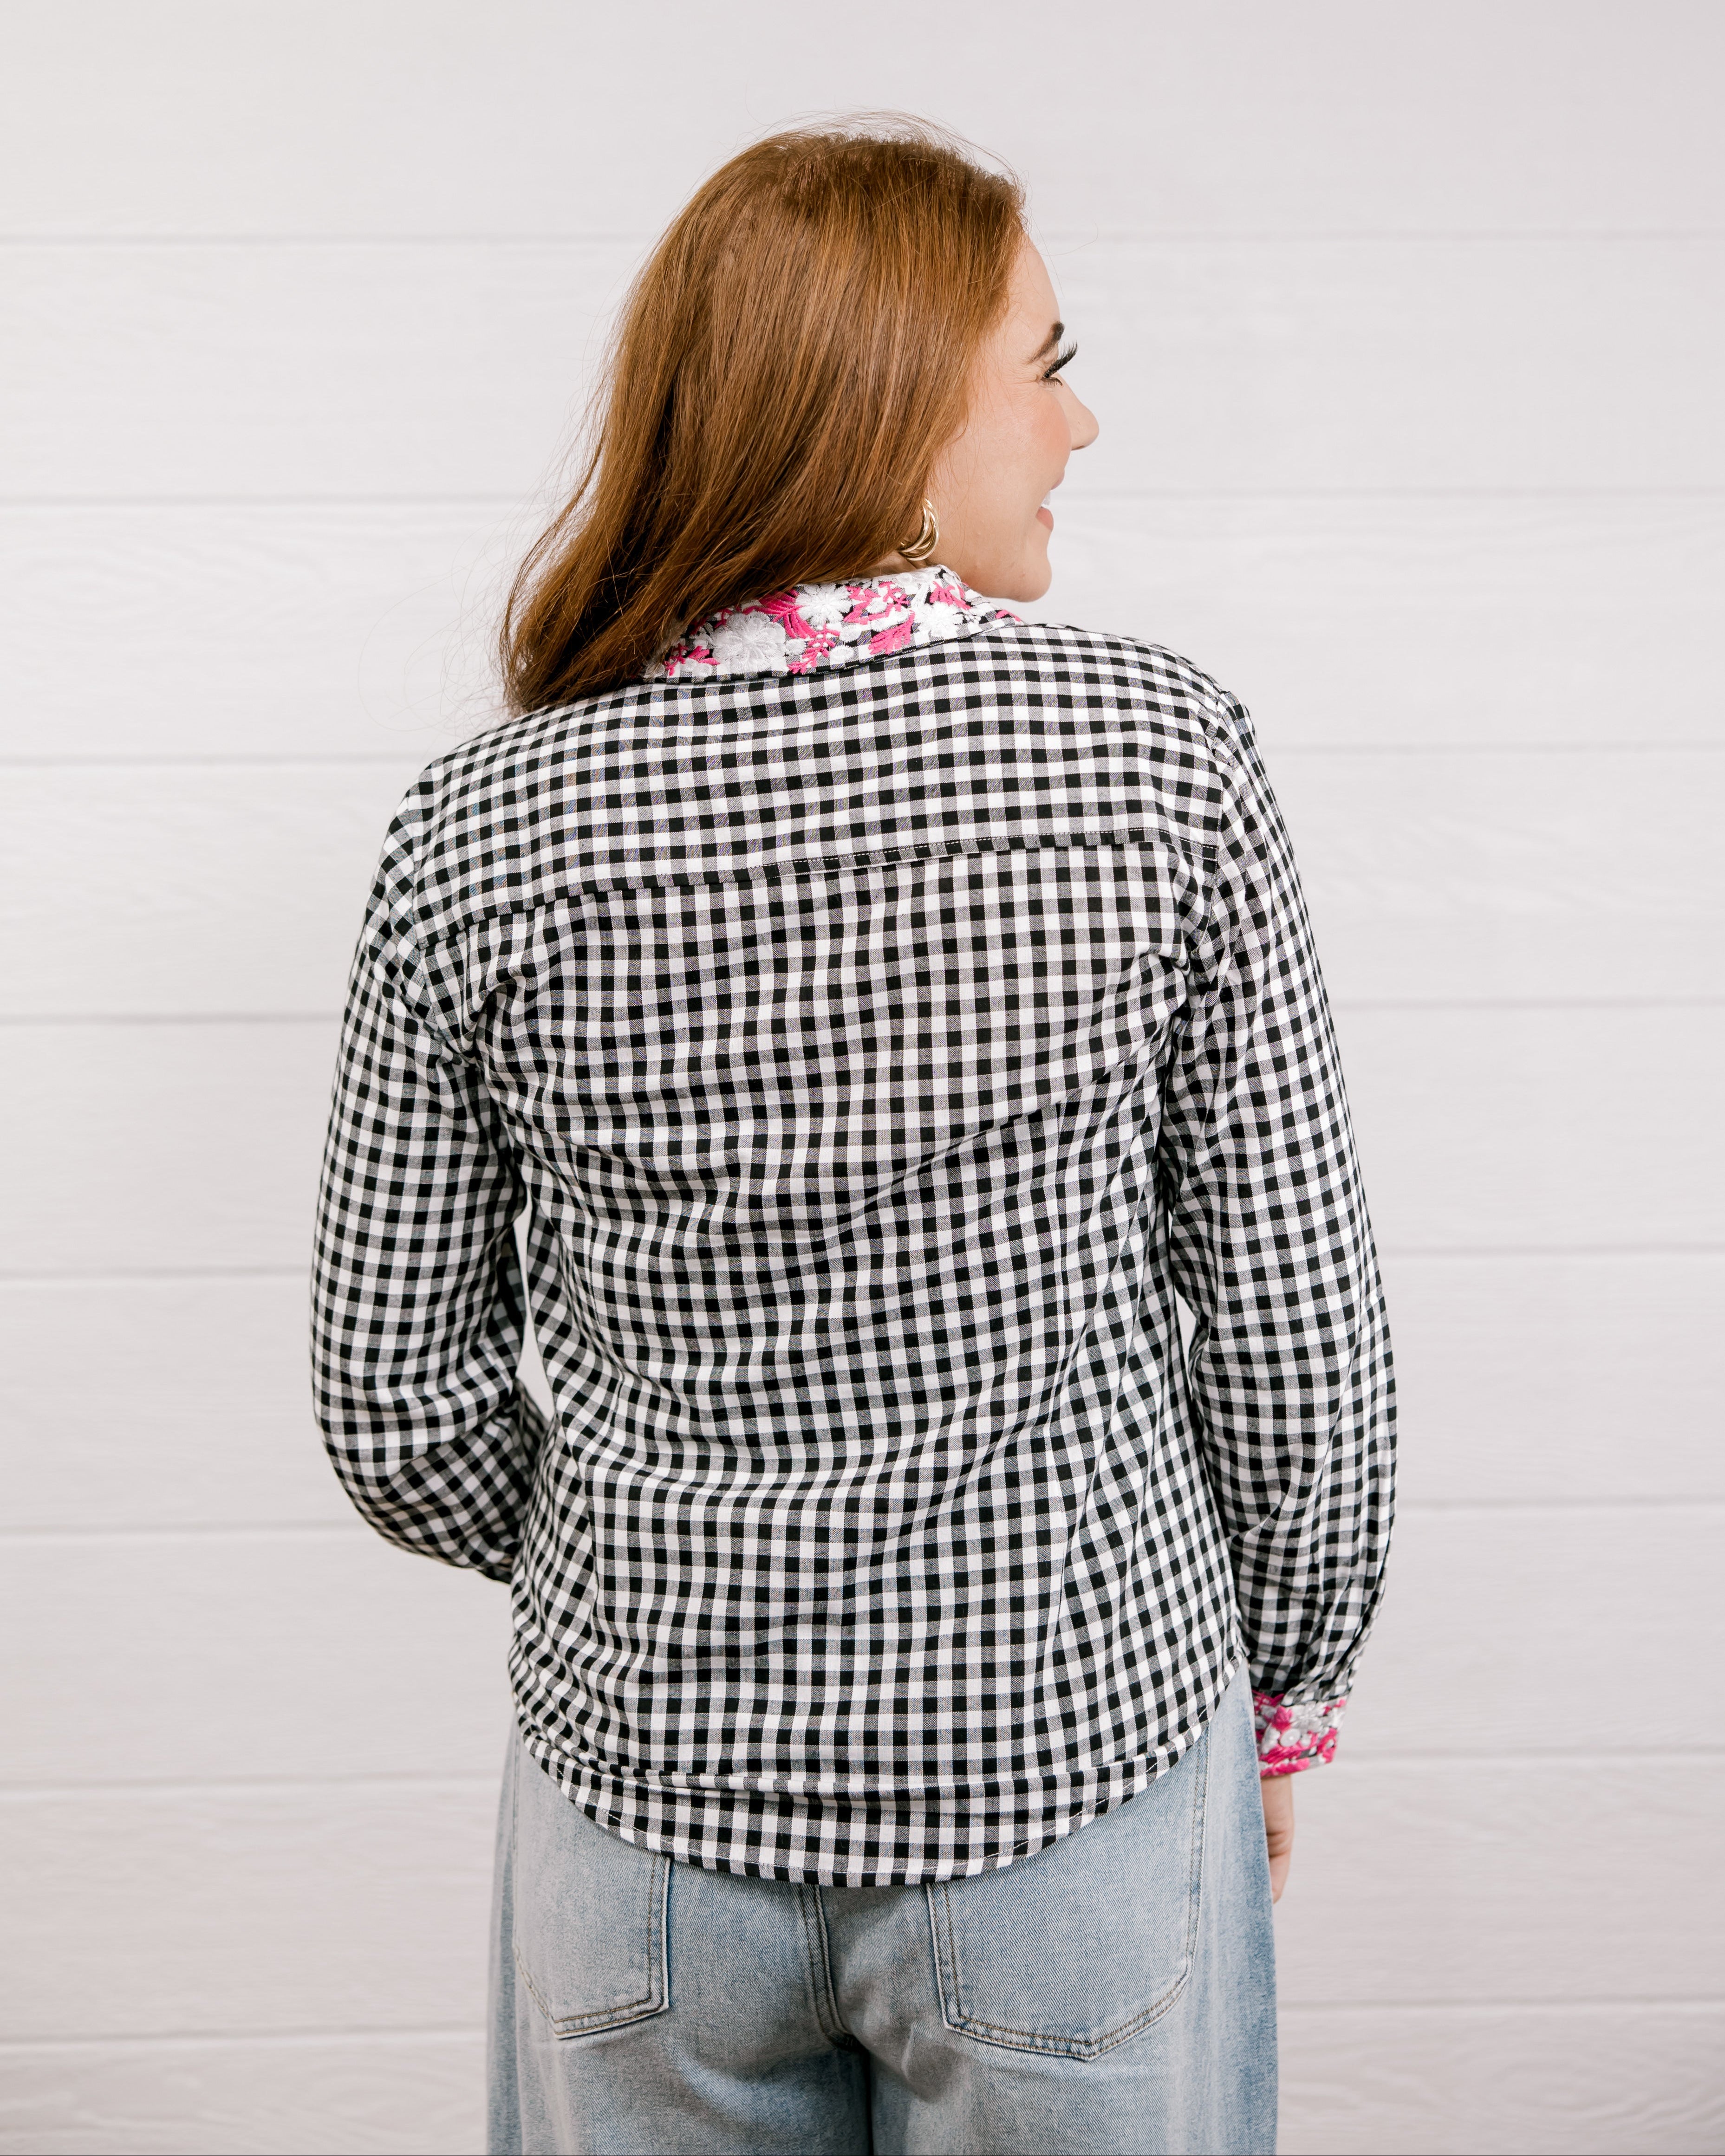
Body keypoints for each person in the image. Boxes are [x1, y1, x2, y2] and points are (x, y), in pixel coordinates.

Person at [312, 117, 1394, 2156]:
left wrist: (641, 1567)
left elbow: (389, 1404)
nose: (1080, 422)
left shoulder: (481, 828)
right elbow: (1287, 1326)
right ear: (895, 396)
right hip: (1066, 1786)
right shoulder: (1150, 754)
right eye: (1048, 361)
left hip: (637, 1825)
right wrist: (1288, 1692)